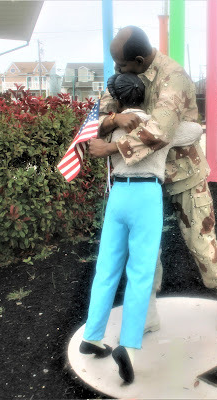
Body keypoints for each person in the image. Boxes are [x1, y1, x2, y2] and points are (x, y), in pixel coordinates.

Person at [89, 25, 217, 336]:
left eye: (122, 65)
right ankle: (148, 313)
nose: (117, 70)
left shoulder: (174, 78)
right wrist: (113, 119)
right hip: (143, 177)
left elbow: (160, 132)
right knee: (144, 248)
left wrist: (112, 146)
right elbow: (100, 114)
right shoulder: (125, 73)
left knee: (200, 238)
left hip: (183, 171)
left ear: (141, 59)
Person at [81, 72, 203, 384]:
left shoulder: (113, 124)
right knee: (140, 272)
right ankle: (129, 347)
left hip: (118, 194)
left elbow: (87, 136)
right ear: (145, 95)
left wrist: (113, 118)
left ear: (119, 98)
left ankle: (92, 336)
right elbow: (194, 131)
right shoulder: (157, 126)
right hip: (147, 196)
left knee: (107, 266)